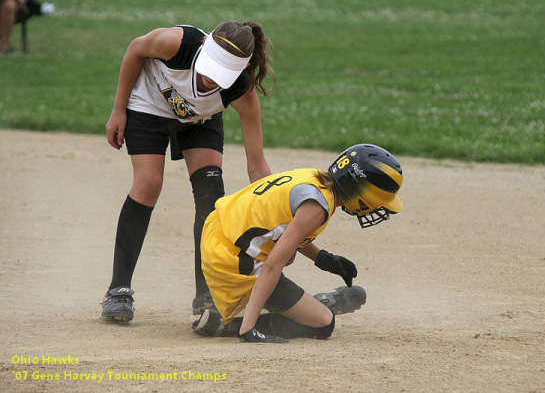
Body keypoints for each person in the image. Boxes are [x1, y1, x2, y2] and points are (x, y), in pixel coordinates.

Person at [101, 21, 275, 322]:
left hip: (199, 120)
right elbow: (135, 49)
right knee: (149, 183)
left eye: (221, 74)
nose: (210, 78)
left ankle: (206, 294)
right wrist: (118, 109)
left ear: (241, 69)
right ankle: (118, 289)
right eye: (209, 66)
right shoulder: (176, 43)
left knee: (211, 192)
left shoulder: (241, 92)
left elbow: (257, 165)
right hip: (149, 104)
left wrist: (276, 203)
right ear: (204, 47)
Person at [192, 144, 404, 343]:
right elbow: (271, 267)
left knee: (286, 257)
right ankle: (233, 325)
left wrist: (323, 258)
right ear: (360, 192)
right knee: (323, 322)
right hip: (233, 259)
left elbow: (280, 226)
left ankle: (303, 305)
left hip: (217, 234)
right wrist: (248, 330)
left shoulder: (315, 178)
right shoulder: (317, 208)